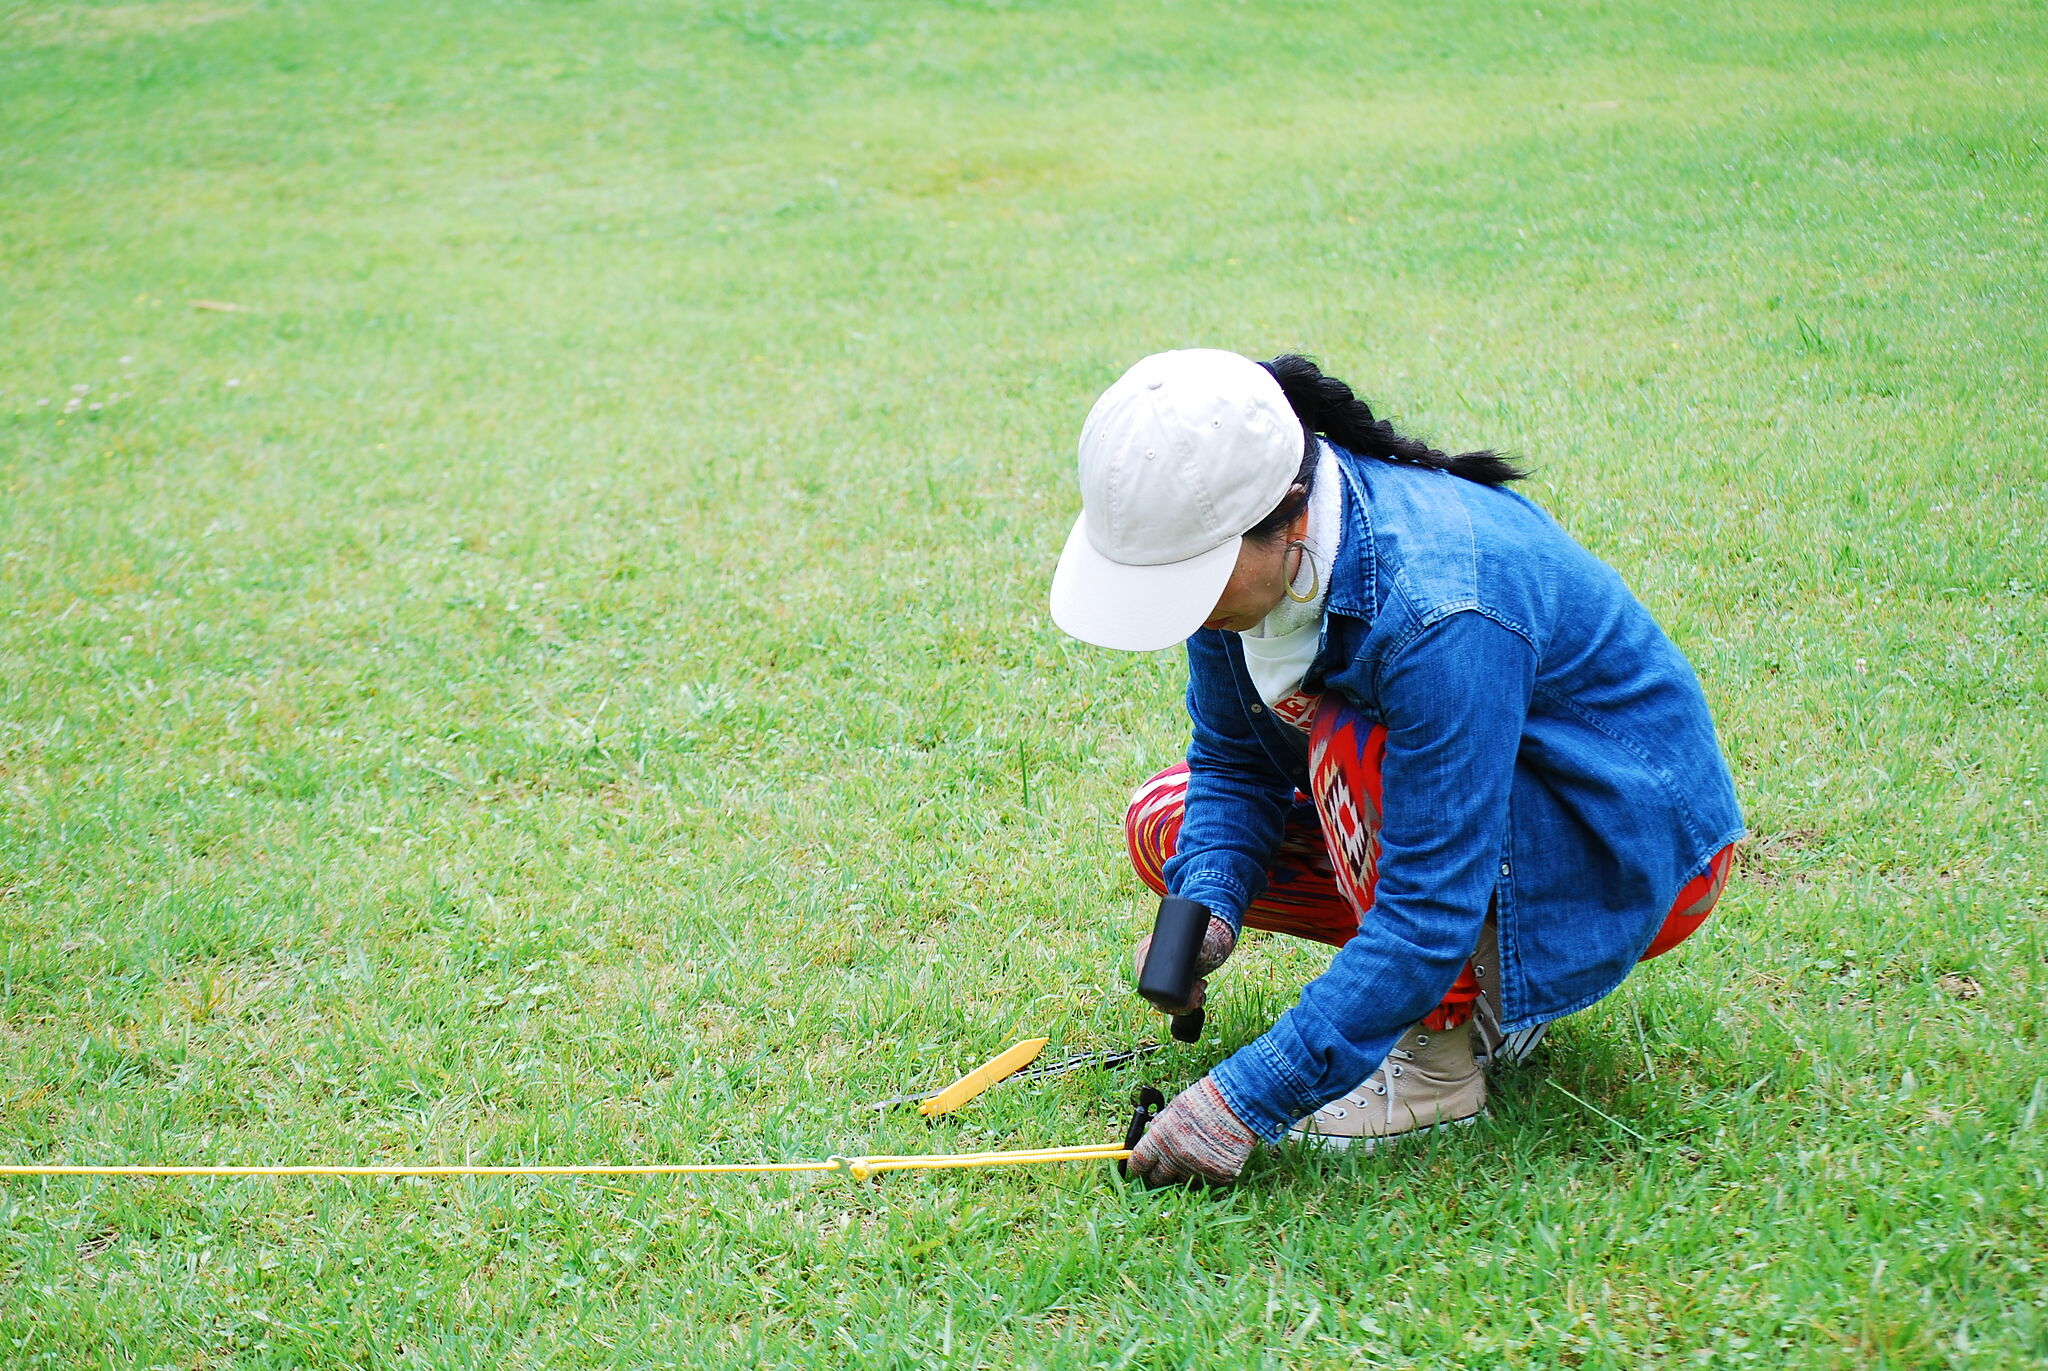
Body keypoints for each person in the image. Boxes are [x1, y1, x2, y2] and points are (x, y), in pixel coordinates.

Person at [1048, 349, 1744, 1187]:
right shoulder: (1242, 570)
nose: (1182, 607)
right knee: (1168, 821)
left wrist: (1242, 1098)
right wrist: (1205, 916)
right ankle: (1487, 994)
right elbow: (1234, 762)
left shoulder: (1440, 608)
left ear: (1289, 517)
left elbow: (1425, 909)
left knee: (1352, 747)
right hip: (1478, 825)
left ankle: (1437, 1068)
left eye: (1189, 577)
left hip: (1633, 849)